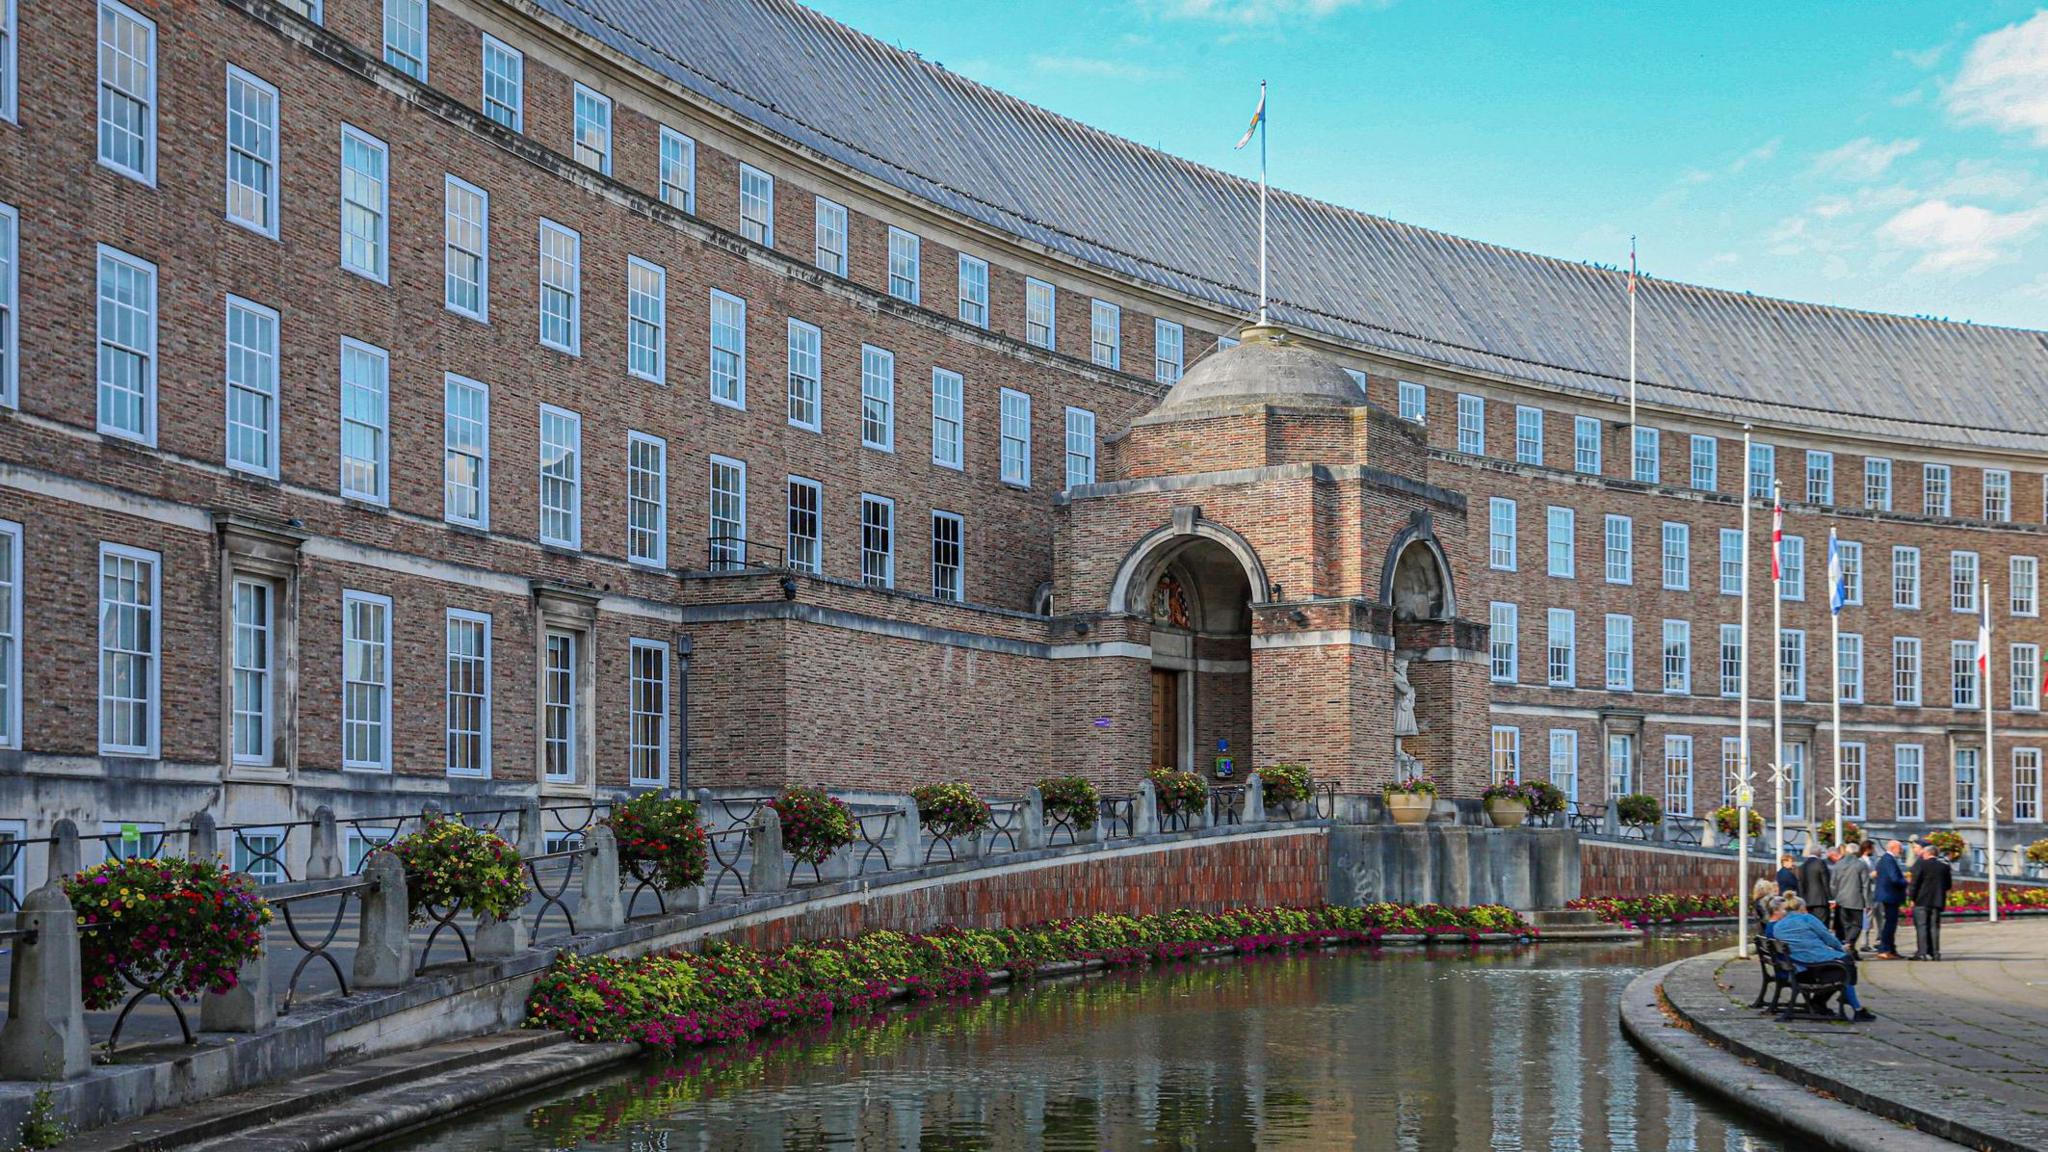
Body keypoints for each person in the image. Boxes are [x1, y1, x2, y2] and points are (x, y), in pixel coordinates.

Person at [1765, 894, 1875, 1021]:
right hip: (1813, 968)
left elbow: (1801, 945)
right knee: (1846, 963)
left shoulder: (1778, 927)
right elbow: (1828, 938)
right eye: (1805, 908)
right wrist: (1841, 948)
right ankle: (1849, 1003)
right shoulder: (1807, 919)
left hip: (1797, 969)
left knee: (1844, 965)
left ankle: (1826, 1002)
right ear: (1801, 909)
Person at [1909, 844, 1954, 961]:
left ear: (1927, 853)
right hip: (1937, 901)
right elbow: (1948, 885)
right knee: (1934, 927)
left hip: (1921, 900)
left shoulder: (1921, 864)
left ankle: (1922, 952)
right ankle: (1935, 952)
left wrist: (1912, 898)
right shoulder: (1944, 867)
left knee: (1922, 926)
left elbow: (1914, 884)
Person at [1830, 840, 1872, 954]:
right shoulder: (1860, 865)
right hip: (1856, 900)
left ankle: (1851, 951)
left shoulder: (1838, 864)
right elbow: (1865, 885)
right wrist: (1868, 903)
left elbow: (1833, 884)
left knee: (1847, 925)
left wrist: (1836, 897)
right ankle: (1849, 943)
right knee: (1857, 925)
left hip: (1841, 900)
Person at [1873, 840, 1908, 959]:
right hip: (1890, 896)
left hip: (1887, 895)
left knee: (1890, 923)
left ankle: (1891, 949)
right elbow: (1894, 879)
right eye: (1900, 848)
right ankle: (1884, 949)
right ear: (1893, 848)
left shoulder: (1883, 859)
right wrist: (1906, 881)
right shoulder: (1889, 859)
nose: (1901, 851)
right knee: (1890, 924)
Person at [1798, 846, 1833, 912]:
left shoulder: (1802, 866)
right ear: (1819, 853)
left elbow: (1800, 884)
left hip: (1807, 901)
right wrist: (1830, 898)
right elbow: (1825, 881)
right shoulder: (1821, 863)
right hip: (1821, 901)